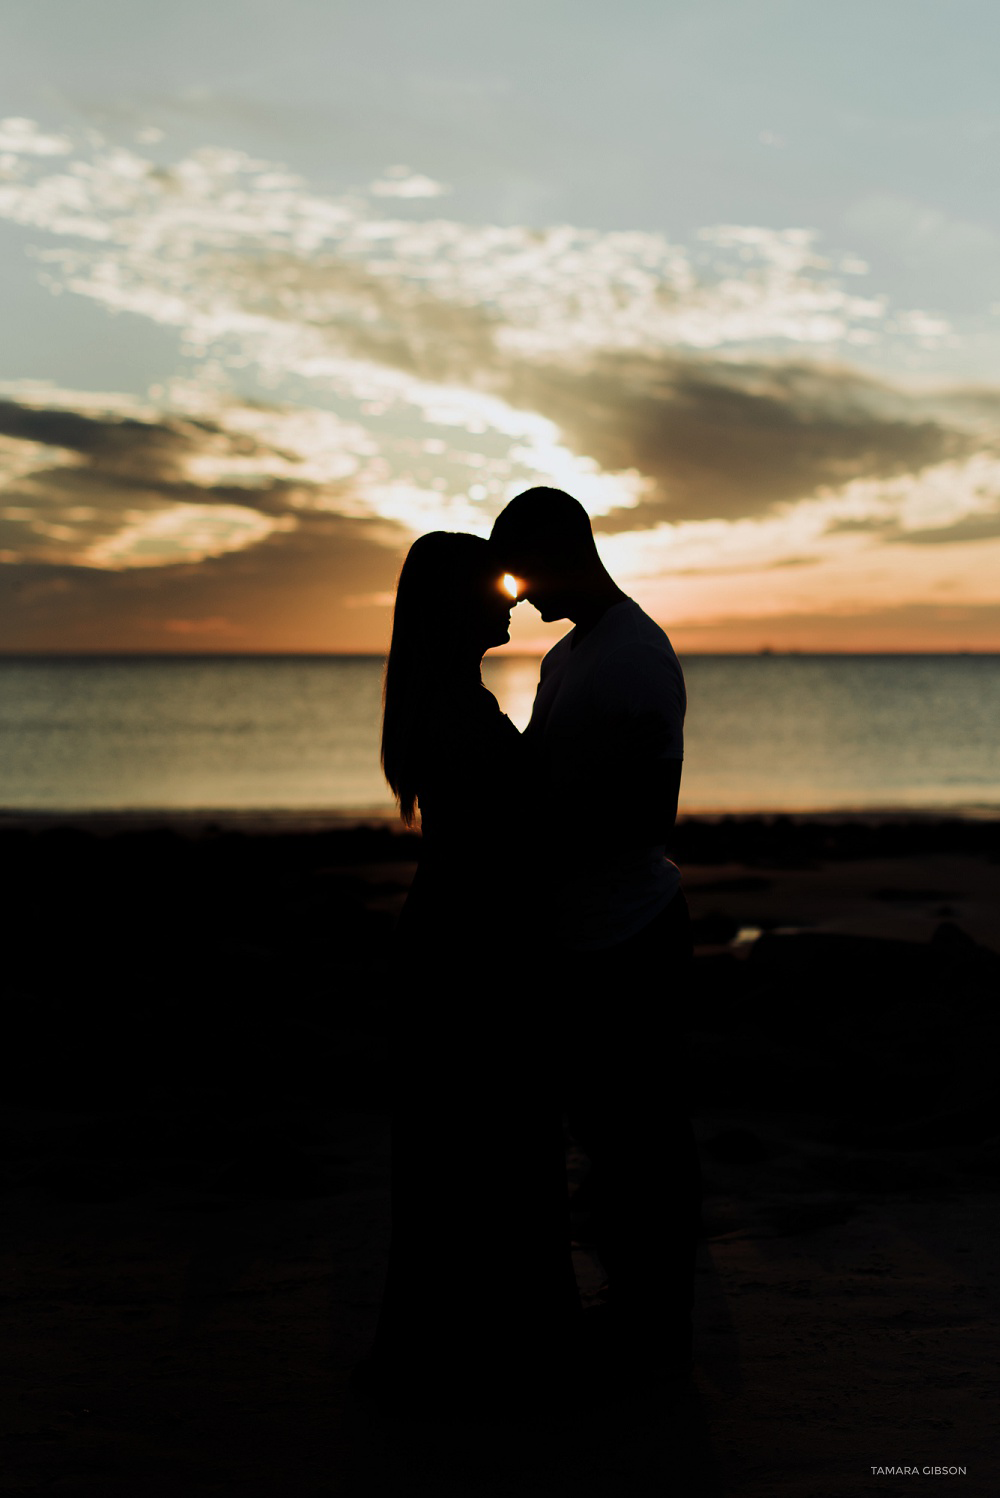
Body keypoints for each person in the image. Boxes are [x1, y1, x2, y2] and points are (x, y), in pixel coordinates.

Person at [490, 486, 700, 1383]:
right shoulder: (572, 657)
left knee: (638, 1139)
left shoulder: (632, 659)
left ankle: (654, 1328)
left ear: (566, 550)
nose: (520, 596)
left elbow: (648, 813)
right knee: (605, 1137)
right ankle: (633, 1310)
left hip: (629, 934)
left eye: (527, 571)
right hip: (585, 932)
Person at [370, 530, 579, 1412]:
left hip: (458, 939)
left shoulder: (451, 702)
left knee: (463, 1153)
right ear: (459, 603)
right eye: (498, 580)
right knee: (490, 1147)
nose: (515, 593)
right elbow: (511, 832)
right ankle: (495, 1358)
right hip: (470, 950)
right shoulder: (458, 713)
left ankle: (467, 1349)